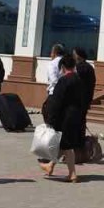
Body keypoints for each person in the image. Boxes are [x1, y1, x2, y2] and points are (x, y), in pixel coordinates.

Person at [41, 55, 85, 183]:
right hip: (76, 116)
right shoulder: (79, 80)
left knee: (67, 146)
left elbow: (56, 102)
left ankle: (72, 174)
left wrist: (51, 119)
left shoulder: (63, 81)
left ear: (63, 67)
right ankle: (50, 166)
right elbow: (83, 100)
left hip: (65, 117)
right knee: (63, 145)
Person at [73, 46, 96, 114]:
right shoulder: (90, 67)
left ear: (79, 55)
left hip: (79, 98)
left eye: (74, 54)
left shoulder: (80, 67)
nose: (73, 56)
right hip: (86, 97)